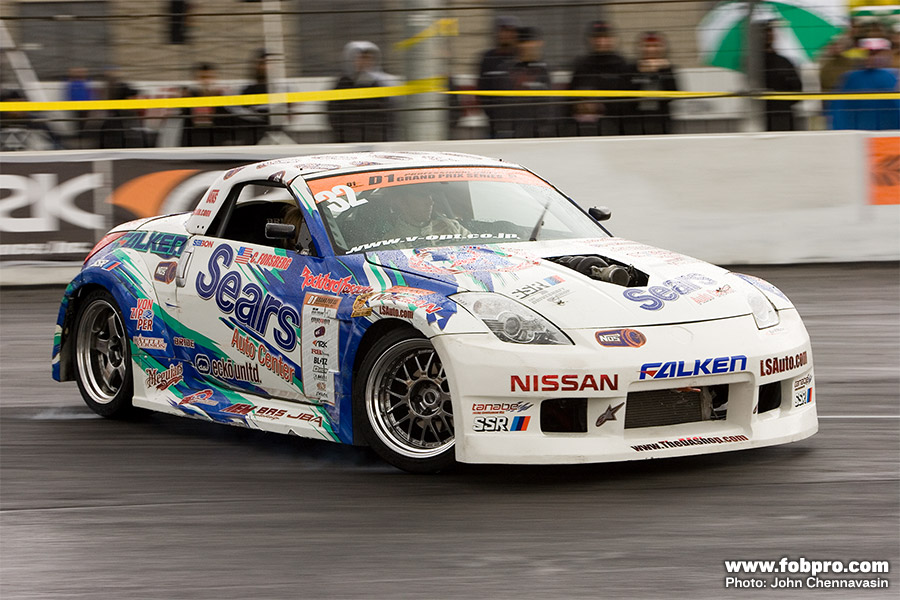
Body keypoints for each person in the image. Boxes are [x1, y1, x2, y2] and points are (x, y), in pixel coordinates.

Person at [567, 20, 632, 136]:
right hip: (583, 128)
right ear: (590, 40)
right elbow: (570, 98)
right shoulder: (581, 65)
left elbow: (628, 102)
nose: (601, 41)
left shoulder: (622, 65)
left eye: (605, 37)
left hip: (616, 127)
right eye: (597, 37)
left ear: (613, 39)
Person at [328, 41, 396, 143]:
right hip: (348, 141)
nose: (365, 62)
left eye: (368, 58)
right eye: (361, 58)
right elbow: (334, 114)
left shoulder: (379, 85)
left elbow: (387, 116)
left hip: (375, 141)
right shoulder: (342, 85)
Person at [830, 38, 900, 131]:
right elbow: (839, 107)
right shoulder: (851, 78)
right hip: (858, 130)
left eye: (877, 53)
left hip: (890, 129)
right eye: (869, 53)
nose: (872, 57)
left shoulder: (894, 76)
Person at [625, 31, 679, 135]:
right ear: (640, 48)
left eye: (655, 46)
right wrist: (641, 73)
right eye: (647, 46)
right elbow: (626, 93)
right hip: (635, 120)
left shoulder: (667, 68)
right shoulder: (630, 68)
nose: (651, 50)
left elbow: (674, 93)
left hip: (661, 119)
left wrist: (663, 72)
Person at [476, 15, 521, 138]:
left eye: (510, 31)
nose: (506, 34)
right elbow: (482, 90)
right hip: (495, 123)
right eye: (503, 30)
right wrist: (492, 113)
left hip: (521, 123)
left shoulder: (521, 57)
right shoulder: (488, 58)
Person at [507, 26, 555, 138]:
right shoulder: (508, 69)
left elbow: (549, 103)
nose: (529, 46)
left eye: (531, 42)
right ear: (518, 45)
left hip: (541, 132)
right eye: (525, 42)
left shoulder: (545, 69)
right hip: (516, 131)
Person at [386, 185, 470, 240]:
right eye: (422, 196)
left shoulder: (451, 227)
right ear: (402, 202)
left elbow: (473, 249)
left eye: (430, 196)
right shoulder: (392, 242)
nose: (430, 202)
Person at [762, 22, 803, 131]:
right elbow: (797, 91)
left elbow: (797, 90)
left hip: (770, 117)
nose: (769, 34)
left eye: (769, 31)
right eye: (766, 31)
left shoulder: (752, 65)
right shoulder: (783, 62)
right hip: (781, 116)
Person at [181, 62, 231, 147]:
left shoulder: (222, 97)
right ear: (196, 79)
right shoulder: (188, 97)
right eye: (202, 77)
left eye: (210, 77)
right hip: (192, 143)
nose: (206, 81)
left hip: (217, 143)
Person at [98, 67, 142, 148]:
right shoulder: (118, 85)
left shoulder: (111, 85)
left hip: (115, 113)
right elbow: (132, 92)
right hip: (118, 113)